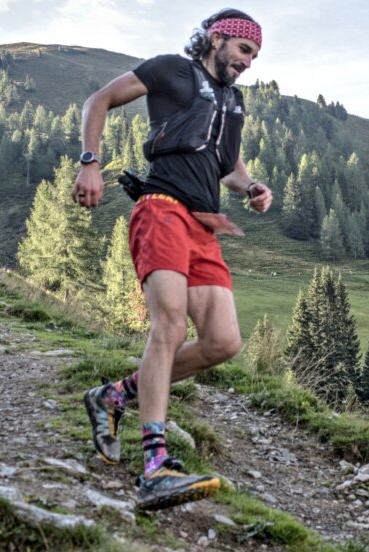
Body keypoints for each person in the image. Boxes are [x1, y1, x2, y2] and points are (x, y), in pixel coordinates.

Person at [72, 8, 272, 511]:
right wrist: (90, 162)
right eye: (244, 51)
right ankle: (156, 466)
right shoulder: (170, 70)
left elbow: (226, 164)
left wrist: (250, 186)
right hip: (161, 209)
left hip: (204, 226)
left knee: (223, 341)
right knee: (169, 328)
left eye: (254, 57)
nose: (248, 63)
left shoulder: (233, 100)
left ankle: (115, 395)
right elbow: (100, 100)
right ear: (218, 38)